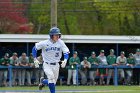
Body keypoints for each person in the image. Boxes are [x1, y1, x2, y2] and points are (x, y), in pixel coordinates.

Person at [32, 27, 69, 93]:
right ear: (51, 35)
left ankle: (43, 81)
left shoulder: (61, 42)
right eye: (56, 35)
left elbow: (66, 52)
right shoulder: (45, 43)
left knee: (53, 82)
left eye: (58, 35)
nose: (58, 36)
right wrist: (35, 59)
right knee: (51, 78)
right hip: (47, 64)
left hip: (56, 65)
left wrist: (65, 60)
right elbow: (34, 48)